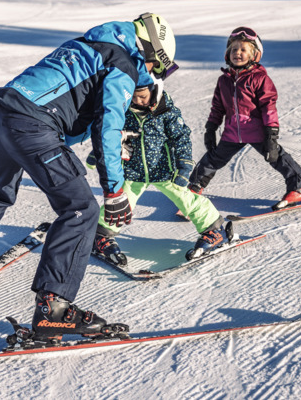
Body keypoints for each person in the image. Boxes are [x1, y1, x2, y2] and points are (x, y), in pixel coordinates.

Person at [0, 13, 179, 343]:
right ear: (152, 52)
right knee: (81, 209)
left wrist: (106, 144)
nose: (149, 76)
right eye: (157, 68)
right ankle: (54, 311)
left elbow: (69, 110)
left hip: (0, 115)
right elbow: (105, 124)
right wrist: (116, 192)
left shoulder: (91, 45)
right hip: (31, 125)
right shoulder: (124, 63)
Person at [87, 75, 228, 265]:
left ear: (155, 92)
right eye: (134, 97)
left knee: (186, 200)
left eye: (142, 97)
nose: (137, 101)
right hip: (133, 170)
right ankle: (101, 234)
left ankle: (213, 229)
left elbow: (181, 138)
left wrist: (184, 165)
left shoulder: (166, 112)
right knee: (120, 202)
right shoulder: (124, 111)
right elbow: (110, 134)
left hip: (165, 171)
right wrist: (98, 153)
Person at [189, 26, 301, 210]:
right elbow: (218, 107)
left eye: (243, 50)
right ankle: (193, 189)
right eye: (234, 49)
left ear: (254, 55)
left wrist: (271, 135)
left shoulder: (260, 79)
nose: (238, 53)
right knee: (212, 160)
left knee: (277, 158)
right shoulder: (224, 80)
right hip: (232, 133)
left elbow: (269, 107)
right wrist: (211, 128)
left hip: (257, 132)